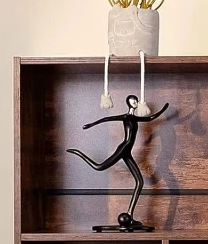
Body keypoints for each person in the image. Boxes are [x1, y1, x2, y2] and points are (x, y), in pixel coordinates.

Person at [66, 95, 169, 231]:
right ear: (128, 103)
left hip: (128, 152)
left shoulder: (135, 118)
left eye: (136, 101)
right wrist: (91, 124)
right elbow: (106, 119)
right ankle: (78, 153)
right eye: (133, 101)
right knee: (99, 167)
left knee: (140, 182)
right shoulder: (125, 117)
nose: (135, 103)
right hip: (123, 148)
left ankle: (130, 215)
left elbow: (150, 118)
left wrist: (164, 109)